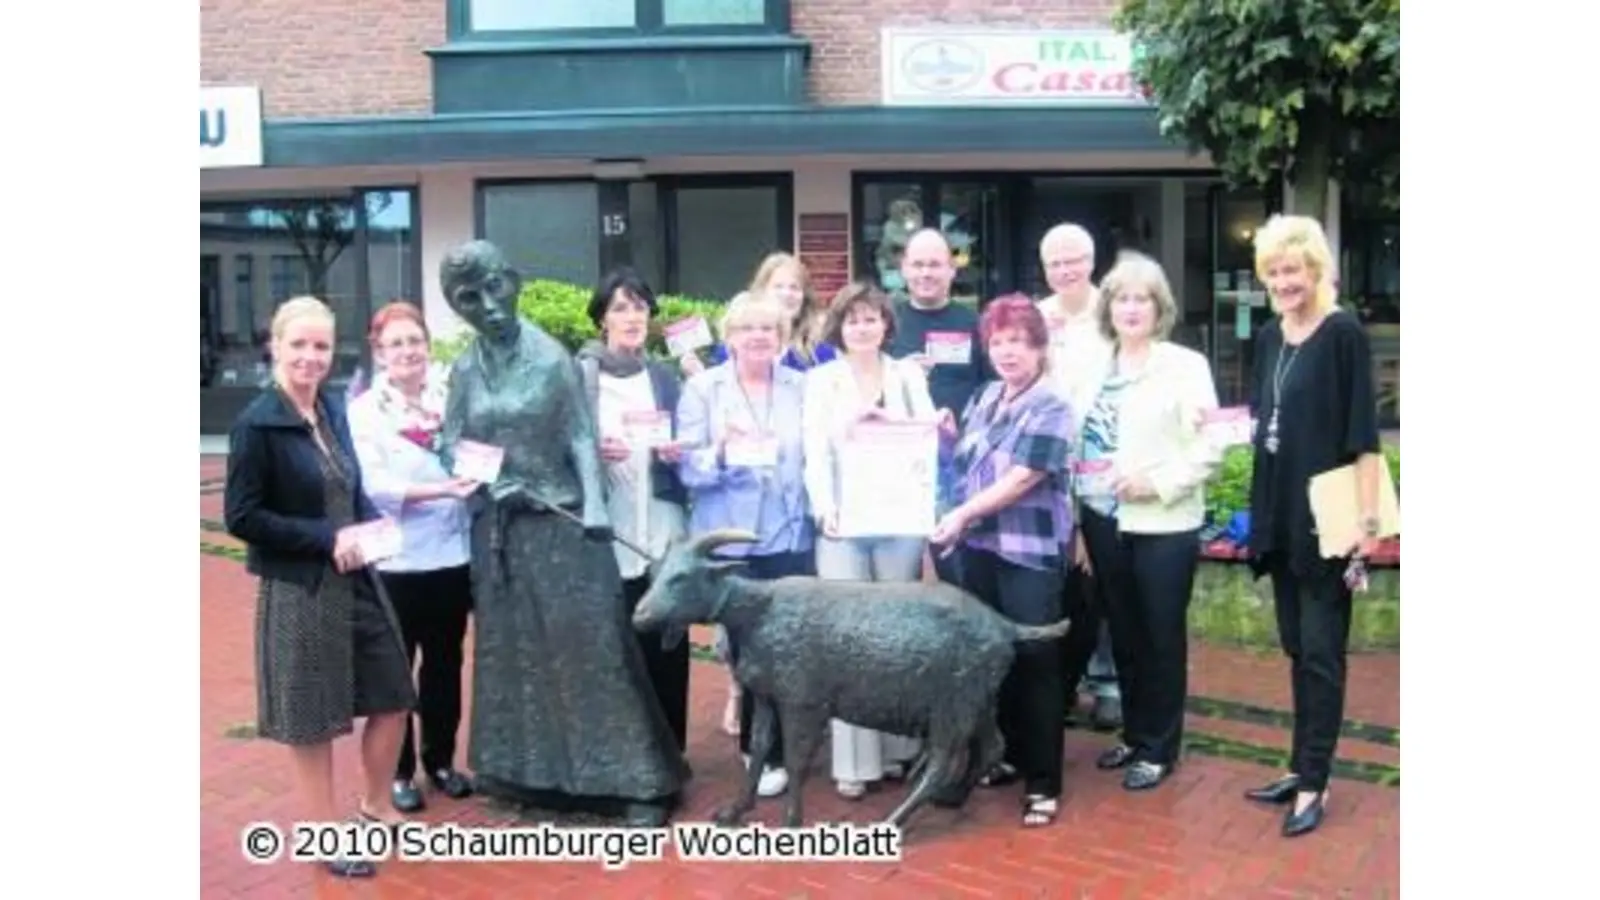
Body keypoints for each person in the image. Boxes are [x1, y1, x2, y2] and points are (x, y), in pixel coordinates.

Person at [437, 240, 687, 827]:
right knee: (515, 656)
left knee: (592, 650)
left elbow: (580, 436)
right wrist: (487, 480)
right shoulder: (465, 368)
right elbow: (451, 440)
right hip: (502, 532)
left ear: (515, 281)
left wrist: (597, 507)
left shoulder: (551, 358)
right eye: (469, 298)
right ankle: (526, 774)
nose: (488, 306)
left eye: (494, 288)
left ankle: (636, 781)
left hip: (563, 524)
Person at [223, 296, 415, 879]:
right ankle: (322, 834)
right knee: (312, 716)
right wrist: (323, 537)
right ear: (275, 347)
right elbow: (243, 516)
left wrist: (371, 528)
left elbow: (349, 487)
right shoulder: (257, 423)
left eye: (321, 346)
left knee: (394, 693)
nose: (310, 356)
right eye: (299, 345)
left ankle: (376, 807)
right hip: (300, 589)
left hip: (357, 577)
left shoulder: (331, 408)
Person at [1242, 215, 1382, 838]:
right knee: (1297, 649)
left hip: (1329, 518)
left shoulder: (1344, 332)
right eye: (1272, 272)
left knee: (1323, 655)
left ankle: (1317, 781)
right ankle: (1301, 766)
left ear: (1316, 269)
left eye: (1292, 269)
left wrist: (1370, 521)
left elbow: (1365, 439)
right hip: (1280, 512)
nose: (1282, 281)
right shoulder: (1273, 336)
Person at [1073, 251, 1221, 792]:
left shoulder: (1184, 366)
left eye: (1142, 299)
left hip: (1162, 522)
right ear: (1107, 307)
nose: (1131, 308)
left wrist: (1154, 484)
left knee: (1161, 636)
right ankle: (1135, 734)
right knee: (1127, 634)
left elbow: (1211, 446)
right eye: (1121, 298)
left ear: (1159, 309)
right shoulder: (1093, 368)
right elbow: (1077, 445)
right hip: (1102, 520)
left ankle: (1160, 747)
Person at [929, 294, 1075, 829]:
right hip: (981, 552)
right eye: (998, 341)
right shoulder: (986, 396)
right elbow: (966, 466)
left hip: (1029, 553)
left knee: (1037, 661)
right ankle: (1009, 755)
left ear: (1039, 347)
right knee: (998, 658)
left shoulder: (1052, 405)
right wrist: (946, 439)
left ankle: (1044, 783)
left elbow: (1021, 478)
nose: (1008, 351)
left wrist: (961, 515)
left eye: (1018, 341)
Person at [801, 282, 937, 799]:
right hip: (842, 524)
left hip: (899, 522)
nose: (863, 326)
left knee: (895, 637)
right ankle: (854, 763)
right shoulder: (821, 381)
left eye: (872, 317)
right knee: (849, 639)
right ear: (839, 326)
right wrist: (824, 510)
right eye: (853, 318)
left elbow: (923, 445)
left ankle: (900, 750)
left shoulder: (906, 376)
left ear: (887, 325)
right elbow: (814, 452)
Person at [677, 291, 814, 799]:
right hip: (731, 537)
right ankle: (763, 747)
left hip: (790, 532)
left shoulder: (803, 386)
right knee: (750, 647)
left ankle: (787, 735)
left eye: (769, 329)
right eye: (748, 329)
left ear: (781, 338)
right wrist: (719, 449)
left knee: (788, 641)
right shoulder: (703, 390)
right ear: (729, 336)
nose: (759, 337)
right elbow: (687, 468)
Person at [347, 301, 478, 814]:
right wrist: (441, 490)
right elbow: (375, 487)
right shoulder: (364, 410)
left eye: (415, 341)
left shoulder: (451, 394)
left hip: (451, 555)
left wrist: (473, 477)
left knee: (446, 663)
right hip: (396, 559)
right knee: (397, 671)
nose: (408, 351)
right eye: (396, 343)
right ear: (380, 353)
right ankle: (399, 773)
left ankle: (441, 761)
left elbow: (477, 450)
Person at [574, 268, 694, 753]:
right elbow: (561, 444)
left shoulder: (663, 377)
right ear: (602, 317)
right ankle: (623, 751)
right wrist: (590, 450)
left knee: (668, 636)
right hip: (611, 524)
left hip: (662, 522)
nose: (632, 317)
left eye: (640, 306)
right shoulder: (579, 375)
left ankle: (671, 749)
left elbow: (690, 441)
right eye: (620, 307)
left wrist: (679, 453)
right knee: (617, 642)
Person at [1036, 223, 1123, 732]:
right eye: (1055, 262)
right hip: (1050, 460)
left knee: (1102, 572)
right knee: (1060, 577)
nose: (1065, 270)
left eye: (1074, 259)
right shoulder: (1038, 316)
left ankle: (1108, 681)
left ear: (1092, 261)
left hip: (1101, 459)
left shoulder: (1111, 311)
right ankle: (1064, 680)